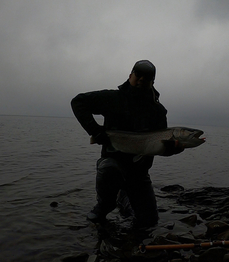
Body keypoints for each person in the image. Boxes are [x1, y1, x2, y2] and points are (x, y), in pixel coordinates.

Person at [71, 60, 183, 228]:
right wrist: (95, 130)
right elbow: (78, 102)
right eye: (137, 75)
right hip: (112, 163)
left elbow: (160, 148)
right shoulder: (112, 98)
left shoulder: (158, 111)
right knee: (109, 168)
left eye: (146, 78)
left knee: (149, 222)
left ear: (152, 82)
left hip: (139, 171)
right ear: (130, 75)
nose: (140, 80)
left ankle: (124, 197)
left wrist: (173, 150)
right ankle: (105, 204)